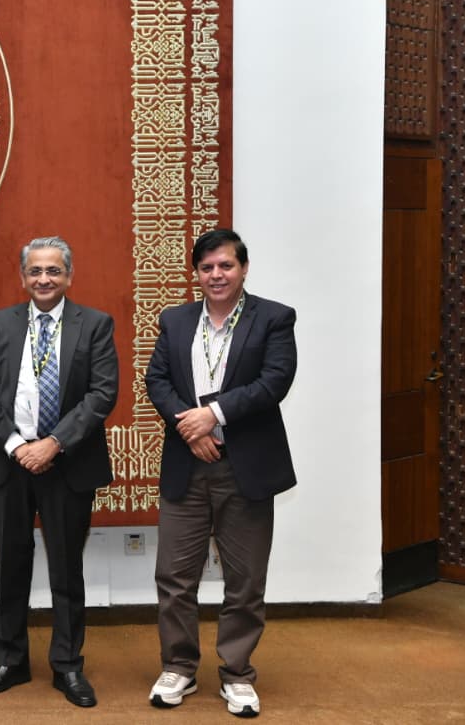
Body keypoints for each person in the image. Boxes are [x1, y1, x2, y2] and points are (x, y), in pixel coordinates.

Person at [144, 228, 297, 718]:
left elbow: (274, 382)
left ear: (243, 268)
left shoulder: (273, 318)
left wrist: (213, 414)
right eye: (207, 267)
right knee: (174, 576)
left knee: (245, 580)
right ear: (196, 273)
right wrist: (190, 429)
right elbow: (157, 380)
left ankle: (237, 673)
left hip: (245, 468)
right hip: (187, 465)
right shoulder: (175, 320)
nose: (217, 275)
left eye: (226, 265)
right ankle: (179, 667)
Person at [0, 236, 119, 708]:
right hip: (11, 462)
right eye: (35, 271)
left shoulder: (95, 324)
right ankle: (10, 660)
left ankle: (68, 665)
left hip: (67, 463)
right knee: (11, 565)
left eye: (53, 270)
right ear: (23, 277)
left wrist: (54, 443)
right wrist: (18, 445)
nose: (44, 279)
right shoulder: (1, 323)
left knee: (66, 569)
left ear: (69, 276)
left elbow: (102, 393)